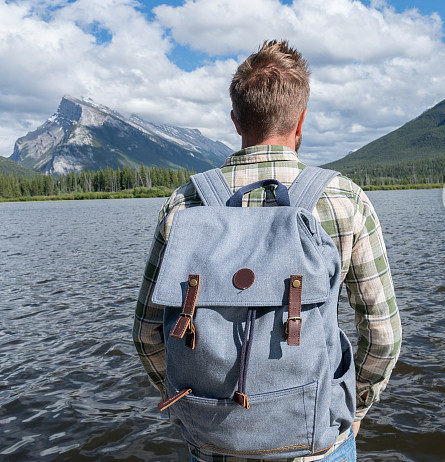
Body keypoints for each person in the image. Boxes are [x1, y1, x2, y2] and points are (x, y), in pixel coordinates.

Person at [133, 40, 402, 461]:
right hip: (316, 443)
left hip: (212, 445)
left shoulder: (183, 206)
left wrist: (191, 408)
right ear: (301, 122)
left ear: (237, 121)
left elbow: (148, 333)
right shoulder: (344, 200)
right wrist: (354, 410)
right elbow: (383, 336)